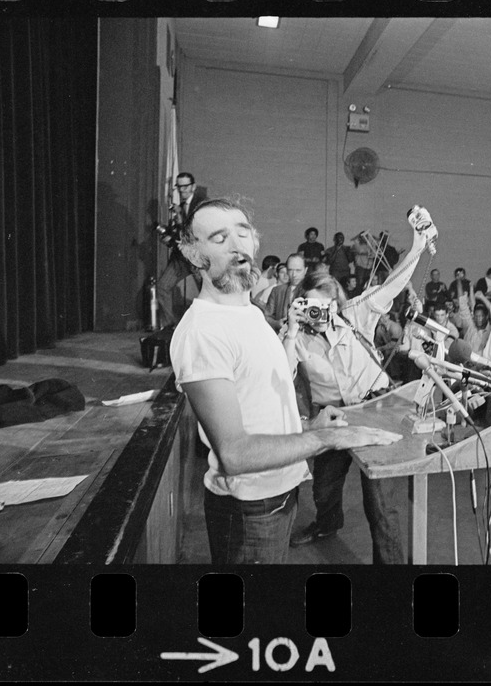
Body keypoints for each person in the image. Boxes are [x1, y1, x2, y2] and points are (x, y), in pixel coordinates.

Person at [169, 198, 400, 564]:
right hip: (249, 513)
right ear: (195, 255)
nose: (236, 244)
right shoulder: (204, 331)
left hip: (278, 497)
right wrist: (325, 438)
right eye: (219, 237)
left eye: (243, 233)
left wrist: (309, 424)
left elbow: (261, 413)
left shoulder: (251, 316)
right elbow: (234, 453)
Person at [285, 207, 438, 562]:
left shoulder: (354, 314)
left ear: (336, 304)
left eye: (327, 307)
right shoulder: (296, 336)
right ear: (300, 305)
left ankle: (390, 577)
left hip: (377, 408)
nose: (320, 316)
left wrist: (418, 245)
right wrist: (292, 333)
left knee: (380, 502)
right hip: (333, 415)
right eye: (312, 307)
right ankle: (327, 522)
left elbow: (393, 285)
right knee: (323, 488)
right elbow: (279, 374)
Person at [156, 172, 208, 327]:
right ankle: (170, 327)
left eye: (185, 186)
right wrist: (169, 239)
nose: (182, 190)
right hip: (180, 258)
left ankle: (207, 328)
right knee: (162, 287)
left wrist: (180, 215)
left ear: (193, 186)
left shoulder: (202, 204)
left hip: (197, 258)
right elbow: (178, 232)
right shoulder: (179, 207)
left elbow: (196, 229)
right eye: (179, 186)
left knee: (207, 294)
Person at [264, 253, 306, 331]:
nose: (294, 275)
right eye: (290, 270)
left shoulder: (312, 291)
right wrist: (276, 323)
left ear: (305, 270)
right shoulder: (277, 291)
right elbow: (266, 317)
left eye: (298, 270)